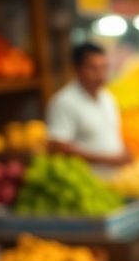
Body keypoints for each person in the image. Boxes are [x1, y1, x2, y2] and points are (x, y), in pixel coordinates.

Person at [47, 43, 129, 175]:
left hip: (115, 179)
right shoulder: (64, 102)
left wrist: (124, 152)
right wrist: (106, 159)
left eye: (104, 68)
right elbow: (57, 146)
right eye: (93, 68)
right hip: (87, 181)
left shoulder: (108, 98)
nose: (100, 74)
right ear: (77, 69)